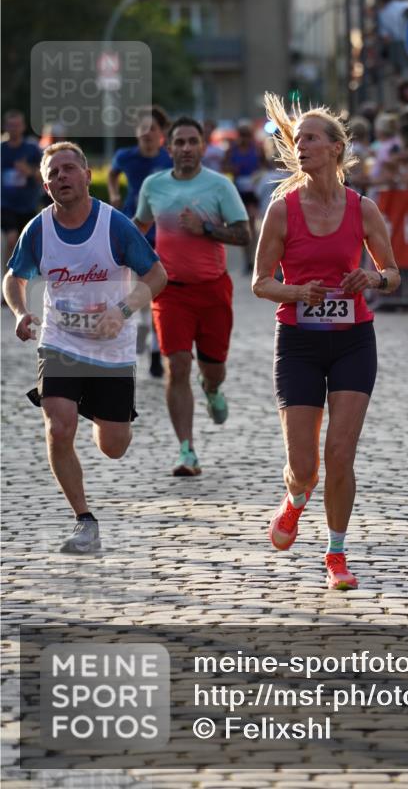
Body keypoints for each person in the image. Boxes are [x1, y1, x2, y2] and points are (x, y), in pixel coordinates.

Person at [252, 93, 400, 590]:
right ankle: (294, 502)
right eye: (298, 140)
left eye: (312, 137)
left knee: (340, 454)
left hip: (354, 341)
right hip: (298, 343)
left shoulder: (363, 208)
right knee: (304, 466)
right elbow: (259, 282)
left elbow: (393, 273)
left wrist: (372, 280)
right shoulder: (281, 210)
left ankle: (336, 554)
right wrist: (297, 291)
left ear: (337, 149)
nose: (303, 145)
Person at [2, 141, 167, 554]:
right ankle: (84, 520)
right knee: (58, 426)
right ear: (45, 184)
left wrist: (124, 309)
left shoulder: (114, 226)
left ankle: (98, 412)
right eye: (53, 173)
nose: (62, 178)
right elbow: (13, 278)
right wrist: (20, 312)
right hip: (59, 340)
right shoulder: (38, 229)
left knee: (113, 446)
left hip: (112, 348)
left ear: (86, 173)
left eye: (69, 169)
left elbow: (157, 275)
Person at [134, 117, 250, 476]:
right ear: (169, 148)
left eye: (192, 142)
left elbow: (244, 234)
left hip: (213, 289)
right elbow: (138, 228)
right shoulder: (153, 186)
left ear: (202, 147)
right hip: (170, 293)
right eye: (179, 142)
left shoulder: (219, 186)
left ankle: (212, 388)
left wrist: (207, 229)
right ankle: (187, 451)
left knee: (212, 368)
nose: (186, 148)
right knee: (176, 366)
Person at [107, 105, 172, 377]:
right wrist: (114, 195)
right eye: (142, 128)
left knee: (157, 289)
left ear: (161, 134)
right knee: (139, 289)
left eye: (152, 129)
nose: (147, 134)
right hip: (132, 228)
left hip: (163, 231)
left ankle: (156, 350)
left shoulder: (169, 160)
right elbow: (112, 173)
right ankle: (145, 330)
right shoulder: (125, 155)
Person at [1, 110, 42, 275]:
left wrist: (29, 171)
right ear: (5, 127)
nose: (14, 129)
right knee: (11, 240)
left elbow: (44, 176)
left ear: (23, 127)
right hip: (6, 204)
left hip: (28, 205)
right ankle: (7, 282)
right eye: (10, 125)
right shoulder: (1, 149)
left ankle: (23, 282)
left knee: (27, 246)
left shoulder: (32, 149)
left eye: (17, 125)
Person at [224, 121, 265, 275]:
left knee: (252, 226)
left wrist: (258, 175)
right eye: (242, 135)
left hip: (253, 192)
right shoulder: (232, 150)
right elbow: (224, 166)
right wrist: (232, 170)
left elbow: (265, 166)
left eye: (247, 135)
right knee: (245, 227)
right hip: (239, 191)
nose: (245, 139)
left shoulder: (257, 150)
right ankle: (246, 260)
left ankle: (253, 260)